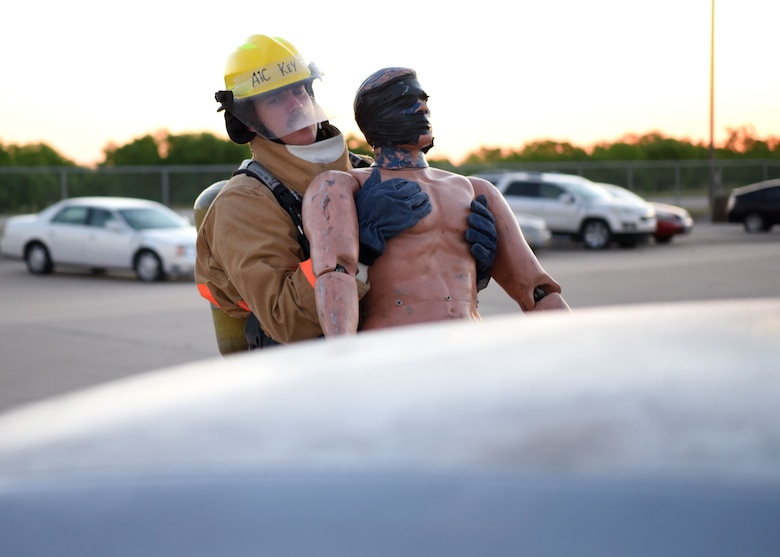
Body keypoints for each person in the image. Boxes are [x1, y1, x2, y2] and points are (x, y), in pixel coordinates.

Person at [195, 37, 498, 351]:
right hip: (313, 379)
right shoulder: (244, 203)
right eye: (274, 100)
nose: (296, 106)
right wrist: (357, 251)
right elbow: (285, 319)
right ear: (248, 119)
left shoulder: (369, 171)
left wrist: (471, 265)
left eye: (299, 90)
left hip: (400, 356)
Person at [303, 67, 570, 336]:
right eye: (405, 101)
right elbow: (335, 275)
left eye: (424, 99)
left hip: (469, 345)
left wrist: (580, 346)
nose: (421, 107)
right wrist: (344, 358)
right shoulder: (342, 186)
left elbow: (536, 289)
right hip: (392, 352)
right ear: (374, 116)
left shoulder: (476, 190)